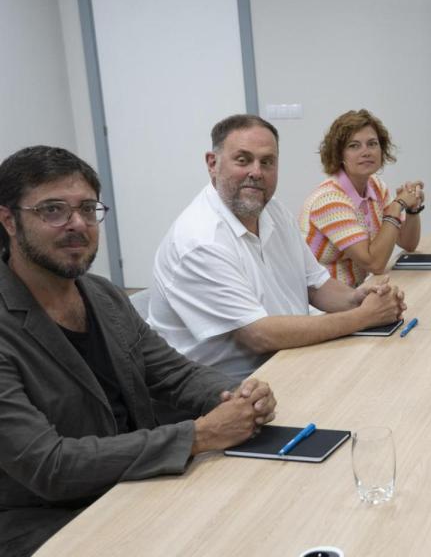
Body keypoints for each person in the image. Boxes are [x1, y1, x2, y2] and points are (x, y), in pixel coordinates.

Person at [0, 146, 278, 557]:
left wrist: (238, 395)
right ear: (9, 220)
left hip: (136, 484)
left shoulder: (103, 295)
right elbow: (49, 466)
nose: (77, 224)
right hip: (50, 522)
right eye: (53, 210)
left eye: (87, 209)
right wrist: (198, 436)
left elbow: (175, 374)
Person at [149, 115, 405, 382]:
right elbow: (258, 335)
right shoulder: (200, 240)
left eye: (267, 162)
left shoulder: (274, 211)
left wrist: (361, 299)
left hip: (287, 360)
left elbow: (316, 286)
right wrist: (362, 317)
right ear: (212, 164)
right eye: (243, 160)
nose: (256, 172)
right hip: (229, 388)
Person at [300, 109, 424, 287]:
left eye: (372, 144)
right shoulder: (329, 200)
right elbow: (374, 264)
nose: (366, 152)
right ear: (339, 154)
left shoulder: (376, 186)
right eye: (354, 146)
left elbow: (408, 243)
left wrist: (412, 209)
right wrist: (398, 204)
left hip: (359, 290)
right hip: (323, 299)